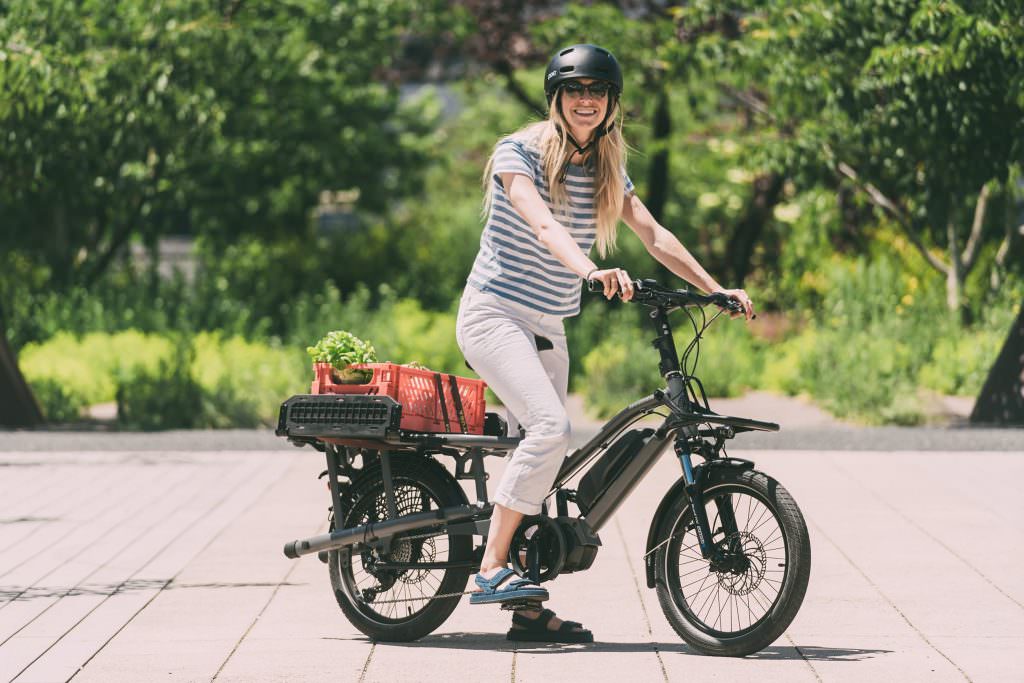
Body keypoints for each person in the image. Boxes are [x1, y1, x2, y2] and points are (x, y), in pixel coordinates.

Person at [455, 44, 754, 643]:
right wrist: (590, 270)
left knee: (545, 457)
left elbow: (652, 233)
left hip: (548, 323)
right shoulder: (519, 153)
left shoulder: (607, 168)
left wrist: (715, 288)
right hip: (494, 315)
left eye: (597, 91)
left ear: (612, 103)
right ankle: (489, 570)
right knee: (548, 430)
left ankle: (527, 611)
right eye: (574, 90)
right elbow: (543, 225)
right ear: (556, 99)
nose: (585, 100)